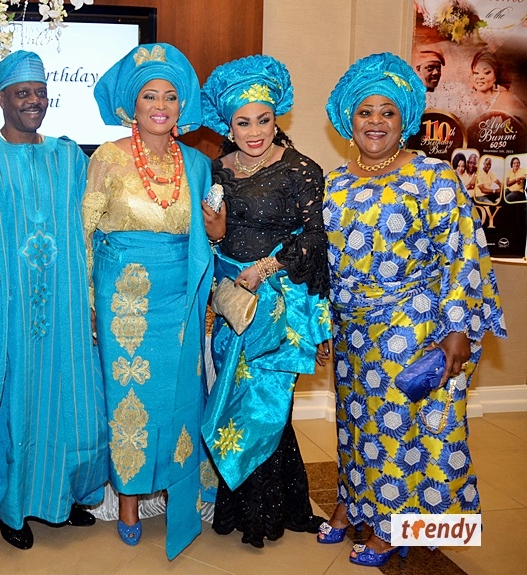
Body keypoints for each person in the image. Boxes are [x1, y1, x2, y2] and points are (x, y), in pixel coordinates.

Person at [321, 52, 506, 567]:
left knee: (404, 429)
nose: (375, 121)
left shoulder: (433, 175)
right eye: (365, 111)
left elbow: (463, 252)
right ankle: (354, 503)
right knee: (356, 426)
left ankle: (395, 527)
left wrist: (459, 329)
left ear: (404, 119)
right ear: (348, 119)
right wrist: (322, 324)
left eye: (387, 112)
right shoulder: (334, 182)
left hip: (413, 326)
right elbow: (323, 260)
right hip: (353, 331)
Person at [0, 51, 108, 551]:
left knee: (69, 400)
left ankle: (64, 496)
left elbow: (95, 226)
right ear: (1, 98)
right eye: (22, 92)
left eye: (40, 92)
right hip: (5, 309)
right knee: (14, 405)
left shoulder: (70, 159)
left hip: (66, 309)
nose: (33, 101)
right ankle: (12, 507)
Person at [83, 43, 213, 559]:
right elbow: (85, 232)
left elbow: (210, 236)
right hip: (124, 303)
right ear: (131, 105)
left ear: (182, 106)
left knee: (181, 396)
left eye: (171, 96)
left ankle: (179, 489)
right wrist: (90, 302)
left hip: (181, 296)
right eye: (150, 96)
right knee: (129, 400)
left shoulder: (198, 164)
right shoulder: (108, 158)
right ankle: (130, 502)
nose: (161, 105)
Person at [198, 55, 331, 549]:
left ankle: (265, 514)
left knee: (269, 405)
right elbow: (214, 236)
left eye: (263, 120)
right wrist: (216, 237)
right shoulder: (217, 170)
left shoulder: (301, 169)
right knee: (235, 402)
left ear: (277, 119)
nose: (254, 132)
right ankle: (274, 504)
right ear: (227, 125)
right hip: (232, 303)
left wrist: (265, 269)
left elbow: (315, 238)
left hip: (279, 306)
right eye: (243, 122)